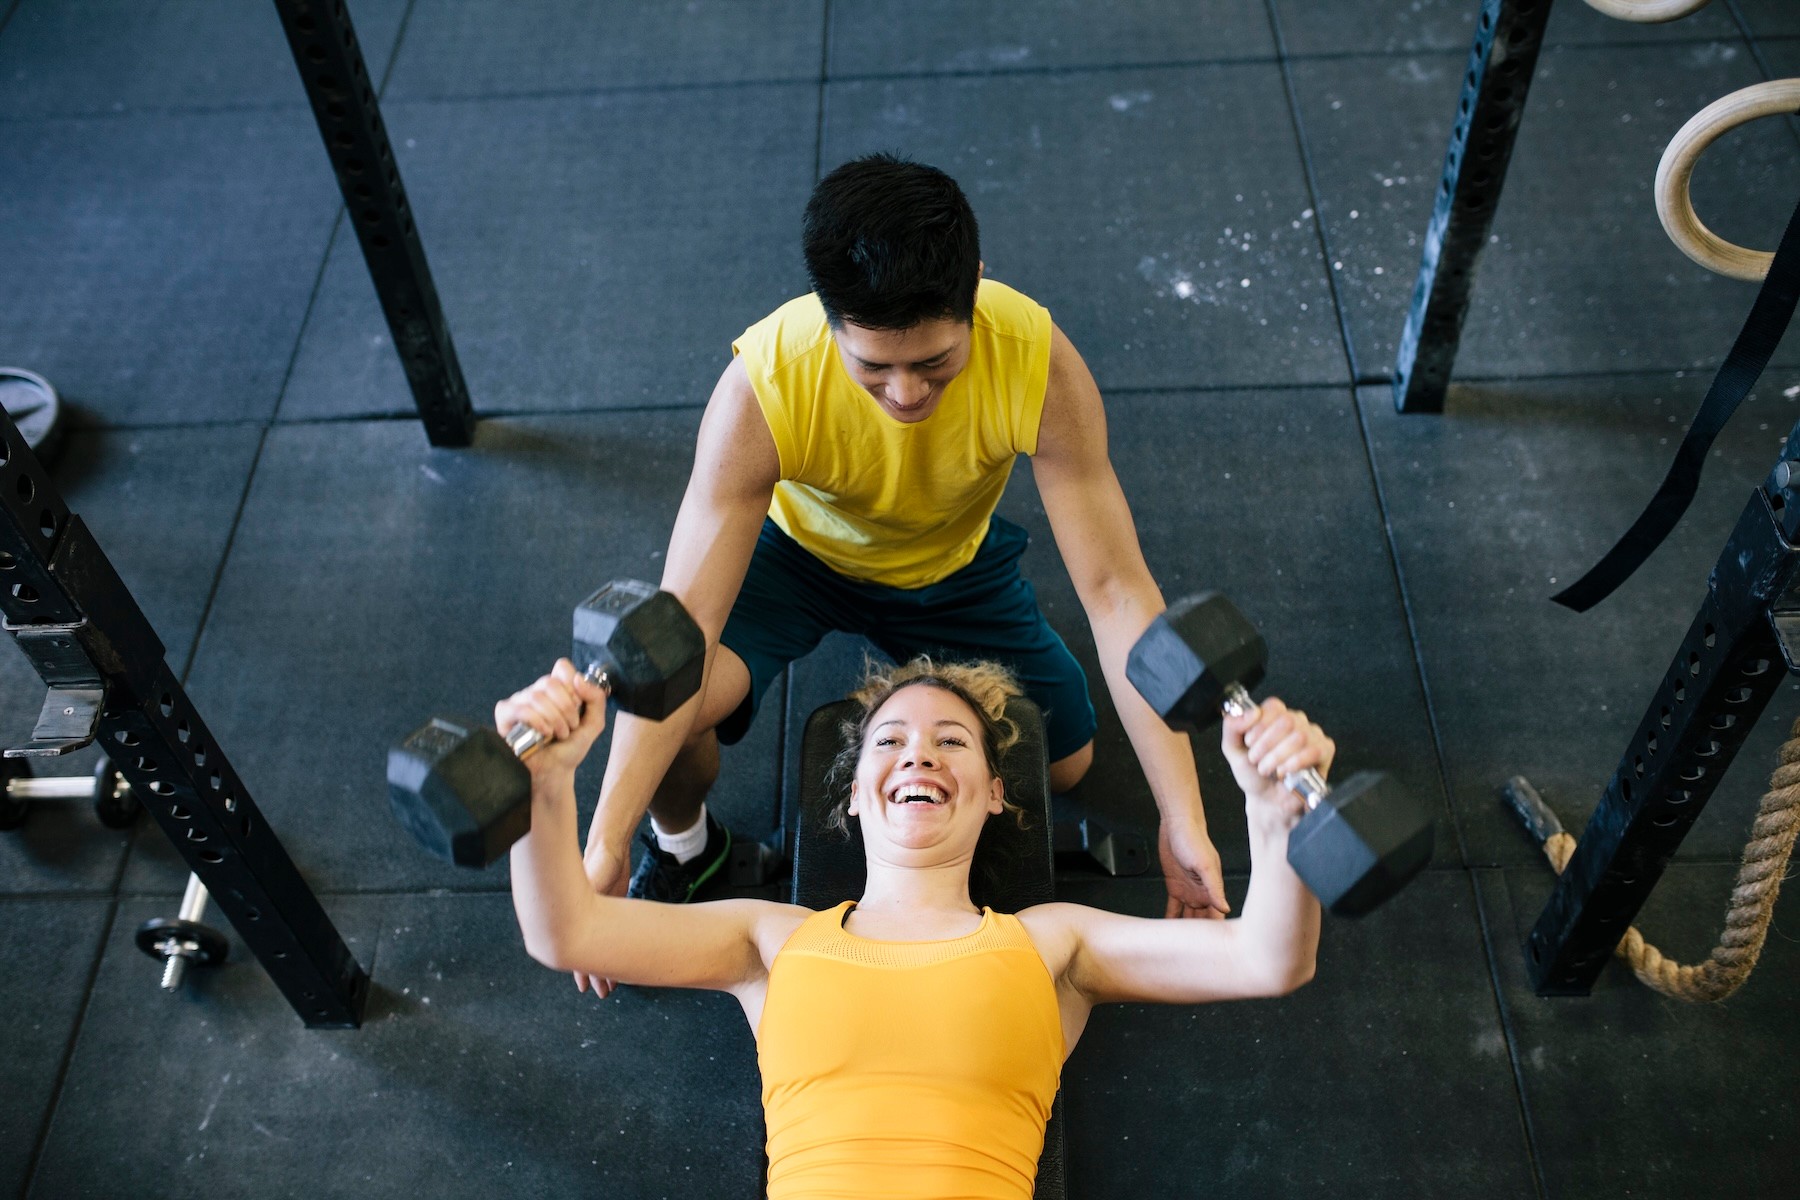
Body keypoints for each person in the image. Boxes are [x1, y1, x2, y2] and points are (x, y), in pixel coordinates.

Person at [583, 154, 1228, 983]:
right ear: (830, 321)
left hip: (953, 568)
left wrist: (1185, 817)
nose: (905, 395)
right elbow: (679, 632)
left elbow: (1114, 590)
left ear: (976, 290)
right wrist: (603, 842)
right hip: (798, 560)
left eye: (932, 363)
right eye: (873, 368)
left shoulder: (1036, 360)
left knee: (1064, 766)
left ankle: (932, 671)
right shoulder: (763, 388)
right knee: (678, 710)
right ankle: (686, 847)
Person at [503, 656, 1327, 1199]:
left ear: (997, 792)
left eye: (951, 741)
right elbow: (566, 933)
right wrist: (544, 785)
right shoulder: (769, 941)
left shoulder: (1053, 945)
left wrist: (1273, 815)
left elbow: (1267, 958)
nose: (919, 755)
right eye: (890, 742)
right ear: (856, 793)